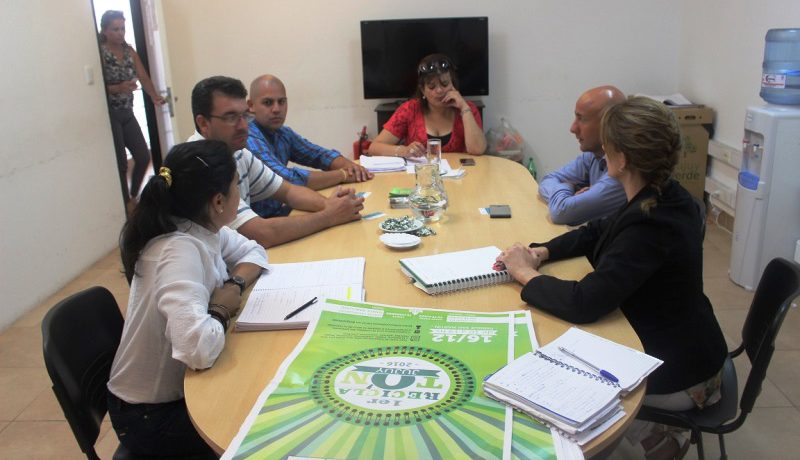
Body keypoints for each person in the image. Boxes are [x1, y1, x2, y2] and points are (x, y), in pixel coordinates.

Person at [497, 97, 727, 460]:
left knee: (550, 379)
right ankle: (650, 436)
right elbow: (598, 231)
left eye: (608, 146)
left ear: (622, 158)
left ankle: (655, 440)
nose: (603, 152)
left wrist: (523, 273)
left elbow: (585, 302)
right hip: (691, 346)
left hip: (683, 373)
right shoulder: (660, 194)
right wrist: (542, 252)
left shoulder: (652, 223)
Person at [108, 140, 267, 458]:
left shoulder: (202, 228)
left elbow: (254, 252)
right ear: (218, 200)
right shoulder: (178, 250)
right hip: (150, 416)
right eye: (237, 185)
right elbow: (196, 349)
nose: (239, 193)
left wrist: (234, 284)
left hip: (169, 396)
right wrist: (220, 308)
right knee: (261, 429)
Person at [188, 76, 364, 248]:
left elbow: (288, 191)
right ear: (203, 123)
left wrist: (331, 205)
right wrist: (329, 215)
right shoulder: (201, 165)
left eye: (244, 116)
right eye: (231, 117)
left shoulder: (238, 152)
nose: (243, 126)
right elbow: (261, 234)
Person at [247, 74, 374, 217]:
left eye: (281, 102)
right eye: (268, 103)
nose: (276, 109)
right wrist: (343, 174)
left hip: (281, 212)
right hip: (260, 222)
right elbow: (288, 180)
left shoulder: (282, 132)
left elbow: (318, 155)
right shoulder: (249, 137)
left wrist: (352, 168)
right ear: (251, 106)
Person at [98, 10, 166, 217]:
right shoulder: (100, 53)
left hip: (127, 111)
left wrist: (154, 96)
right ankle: (125, 203)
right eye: (115, 29)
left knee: (143, 156)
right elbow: (96, 89)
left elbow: (143, 77)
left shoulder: (129, 51)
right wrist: (119, 88)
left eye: (122, 28)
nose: (120, 33)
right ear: (105, 31)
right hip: (110, 114)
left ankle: (133, 196)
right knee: (120, 163)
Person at [537, 85, 628, 226]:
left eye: (582, 119)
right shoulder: (593, 155)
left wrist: (566, 193)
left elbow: (561, 213)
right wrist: (569, 189)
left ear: (608, 124)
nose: (573, 128)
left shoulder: (622, 171)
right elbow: (548, 180)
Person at [367, 53, 486, 158]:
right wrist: (404, 151)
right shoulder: (410, 109)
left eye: (445, 84)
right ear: (423, 90)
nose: (439, 90)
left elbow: (477, 150)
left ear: (453, 85)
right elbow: (374, 148)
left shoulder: (468, 108)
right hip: (422, 174)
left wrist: (464, 108)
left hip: (460, 174)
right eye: (432, 87)